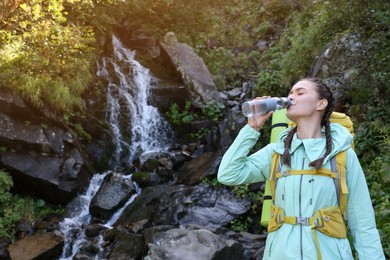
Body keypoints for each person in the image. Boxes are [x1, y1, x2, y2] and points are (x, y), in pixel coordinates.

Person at [217, 78, 385, 260]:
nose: (291, 97)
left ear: (321, 103)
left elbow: (363, 225)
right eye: (290, 93)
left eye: (300, 92)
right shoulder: (276, 152)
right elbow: (228, 174)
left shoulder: (342, 155)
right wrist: (252, 129)